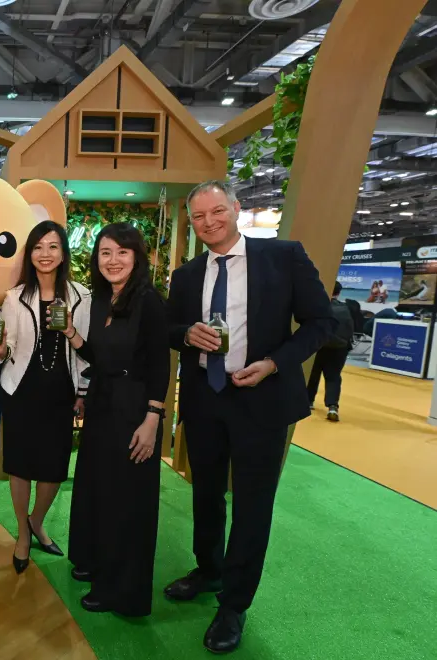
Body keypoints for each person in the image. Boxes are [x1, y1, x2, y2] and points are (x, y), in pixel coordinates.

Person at [165, 180, 334, 653]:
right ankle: (208, 568)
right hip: (204, 398)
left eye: (217, 211)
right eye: (198, 217)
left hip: (262, 400)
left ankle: (234, 604)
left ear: (236, 210)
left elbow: (323, 322)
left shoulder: (283, 258)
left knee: (253, 505)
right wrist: (186, 335)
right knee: (206, 493)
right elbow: (171, 328)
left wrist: (276, 363)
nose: (209, 223)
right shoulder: (187, 274)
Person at [56, 223, 169, 615]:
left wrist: (153, 418)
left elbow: (159, 365)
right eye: (105, 253)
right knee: (97, 487)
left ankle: (122, 589)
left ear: (136, 256)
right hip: (103, 403)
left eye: (122, 252)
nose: (113, 260)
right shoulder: (103, 299)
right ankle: (96, 560)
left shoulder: (148, 301)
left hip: (135, 408)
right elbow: (102, 359)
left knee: (127, 499)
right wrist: (73, 335)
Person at [0, 220, 90, 574]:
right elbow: (8, 344)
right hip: (21, 391)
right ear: (30, 255)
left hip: (62, 393)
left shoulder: (81, 296)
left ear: (63, 253)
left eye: (52, 247)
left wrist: (83, 392)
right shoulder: (14, 298)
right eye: (38, 247)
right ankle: (22, 533)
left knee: (54, 468)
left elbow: (87, 351)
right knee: (20, 467)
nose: (45, 254)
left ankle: (37, 520)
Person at [307, 281, 354, 422]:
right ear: (338, 293)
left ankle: (308, 401)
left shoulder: (317, 306)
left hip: (318, 346)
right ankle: (333, 406)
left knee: (313, 374)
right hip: (339, 349)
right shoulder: (346, 308)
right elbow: (351, 329)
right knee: (333, 377)